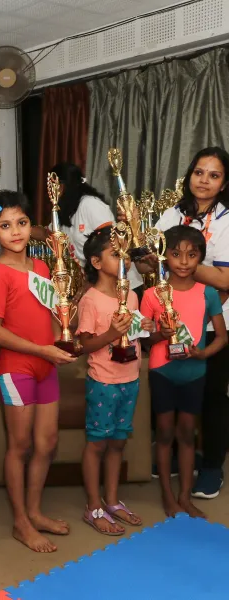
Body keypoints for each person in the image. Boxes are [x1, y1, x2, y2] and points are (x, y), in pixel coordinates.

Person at [0, 190, 77, 553]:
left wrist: (63, 341)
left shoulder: (42, 268)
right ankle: (20, 522)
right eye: (5, 226)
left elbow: (51, 317)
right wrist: (42, 349)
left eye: (21, 223)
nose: (16, 231)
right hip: (15, 369)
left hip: (46, 367)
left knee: (46, 443)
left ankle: (35, 512)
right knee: (19, 445)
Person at [142, 147, 229, 499]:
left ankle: (212, 468)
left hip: (215, 320)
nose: (204, 180)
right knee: (175, 391)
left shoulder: (226, 220)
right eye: (199, 172)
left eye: (214, 175)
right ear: (189, 174)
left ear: (224, 183)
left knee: (212, 397)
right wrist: (149, 259)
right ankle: (178, 456)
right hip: (173, 320)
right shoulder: (172, 214)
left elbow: (224, 280)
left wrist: (179, 261)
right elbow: (151, 264)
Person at [77, 225, 153, 535]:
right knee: (97, 444)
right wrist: (111, 333)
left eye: (125, 253)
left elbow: (134, 333)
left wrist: (144, 327)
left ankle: (111, 500)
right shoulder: (91, 300)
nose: (124, 258)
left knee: (118, 442)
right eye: (115, 253)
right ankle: (93, 505)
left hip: (130, 378)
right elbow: (84, 345)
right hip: (103, 382)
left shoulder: (132, 296)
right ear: (96, 262)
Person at [31, 162, 143, 293]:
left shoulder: (90, 204)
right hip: (99, 286)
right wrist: (23, 229)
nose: (49, 193)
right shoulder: (65, 212)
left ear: (60, 186)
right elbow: (47, 234)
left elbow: (111, 244)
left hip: (123, 285)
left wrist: (88, 286)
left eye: (51, 187)